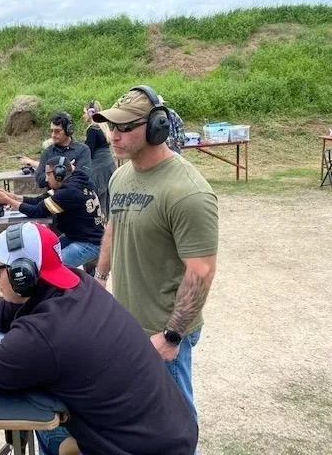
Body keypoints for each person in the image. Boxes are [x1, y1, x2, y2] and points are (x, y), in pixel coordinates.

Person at [0, 222, 198, 455]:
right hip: (168, 430)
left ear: (21, 275)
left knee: (45, 428)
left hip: (137, 448)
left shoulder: (44, 333)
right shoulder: (75, 285)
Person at [91, 85, 218, 424]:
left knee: (174, 420)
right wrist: (99, 280)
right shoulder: (120, 177)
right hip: (129, 321)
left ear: (156, 127)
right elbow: (113, 227)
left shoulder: (188, 192)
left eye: (124, 127)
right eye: (111, 127)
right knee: (140, 414)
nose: (113, 136)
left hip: (165, 330)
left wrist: (171, 336)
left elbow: (201, 270)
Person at [0, 156, 103, 268]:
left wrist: (8, 200)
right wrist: (14, 197)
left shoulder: (68, 192)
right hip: (76, 236)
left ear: (59, 174)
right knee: (44, 255)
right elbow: (39, 201)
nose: (46, 179)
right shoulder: (76, 182)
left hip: (89, 243)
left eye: (48, 174)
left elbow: (37, 211)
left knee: (51, 267)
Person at [19, 112, 92, 189]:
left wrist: (51, 174)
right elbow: (40, 180)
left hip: (75, 196)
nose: (53, 135)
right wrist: (65, 170)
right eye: (52, 131)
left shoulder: (82, 150)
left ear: (68, 130)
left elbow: (84, 177)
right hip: (52, 197)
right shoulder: (48, 152)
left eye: (57, 131)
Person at [82, 101, 117, 217]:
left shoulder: (92, 129)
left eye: (84, 113)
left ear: (90, 113)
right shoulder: (103, 127)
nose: (83, 116)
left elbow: (88, 152)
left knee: (98, 197)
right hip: (109, 164)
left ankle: (101, 224)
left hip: (99, 168)